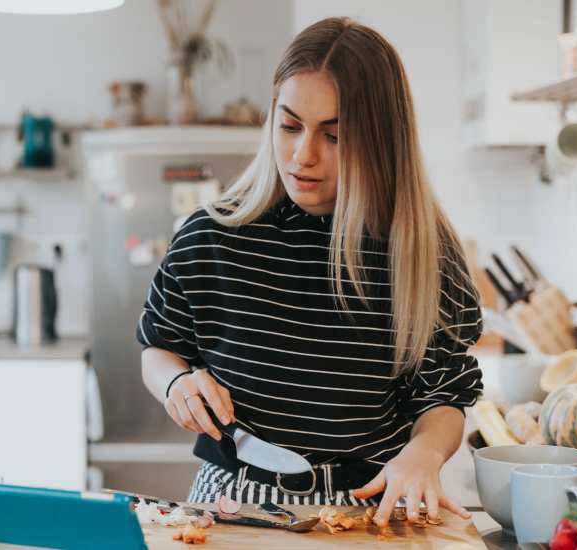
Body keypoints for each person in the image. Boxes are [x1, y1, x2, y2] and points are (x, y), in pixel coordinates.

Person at [136, 16, 483, 528]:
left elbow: (444, 396)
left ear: (382, 140)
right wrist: (175, 384)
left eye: (335, 135)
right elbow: (159, 347)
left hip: (369, 505)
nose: (303, 156)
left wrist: (425, 454)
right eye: (290, 125)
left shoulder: (422, 254)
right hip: (234, 498)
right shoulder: (212, 235)